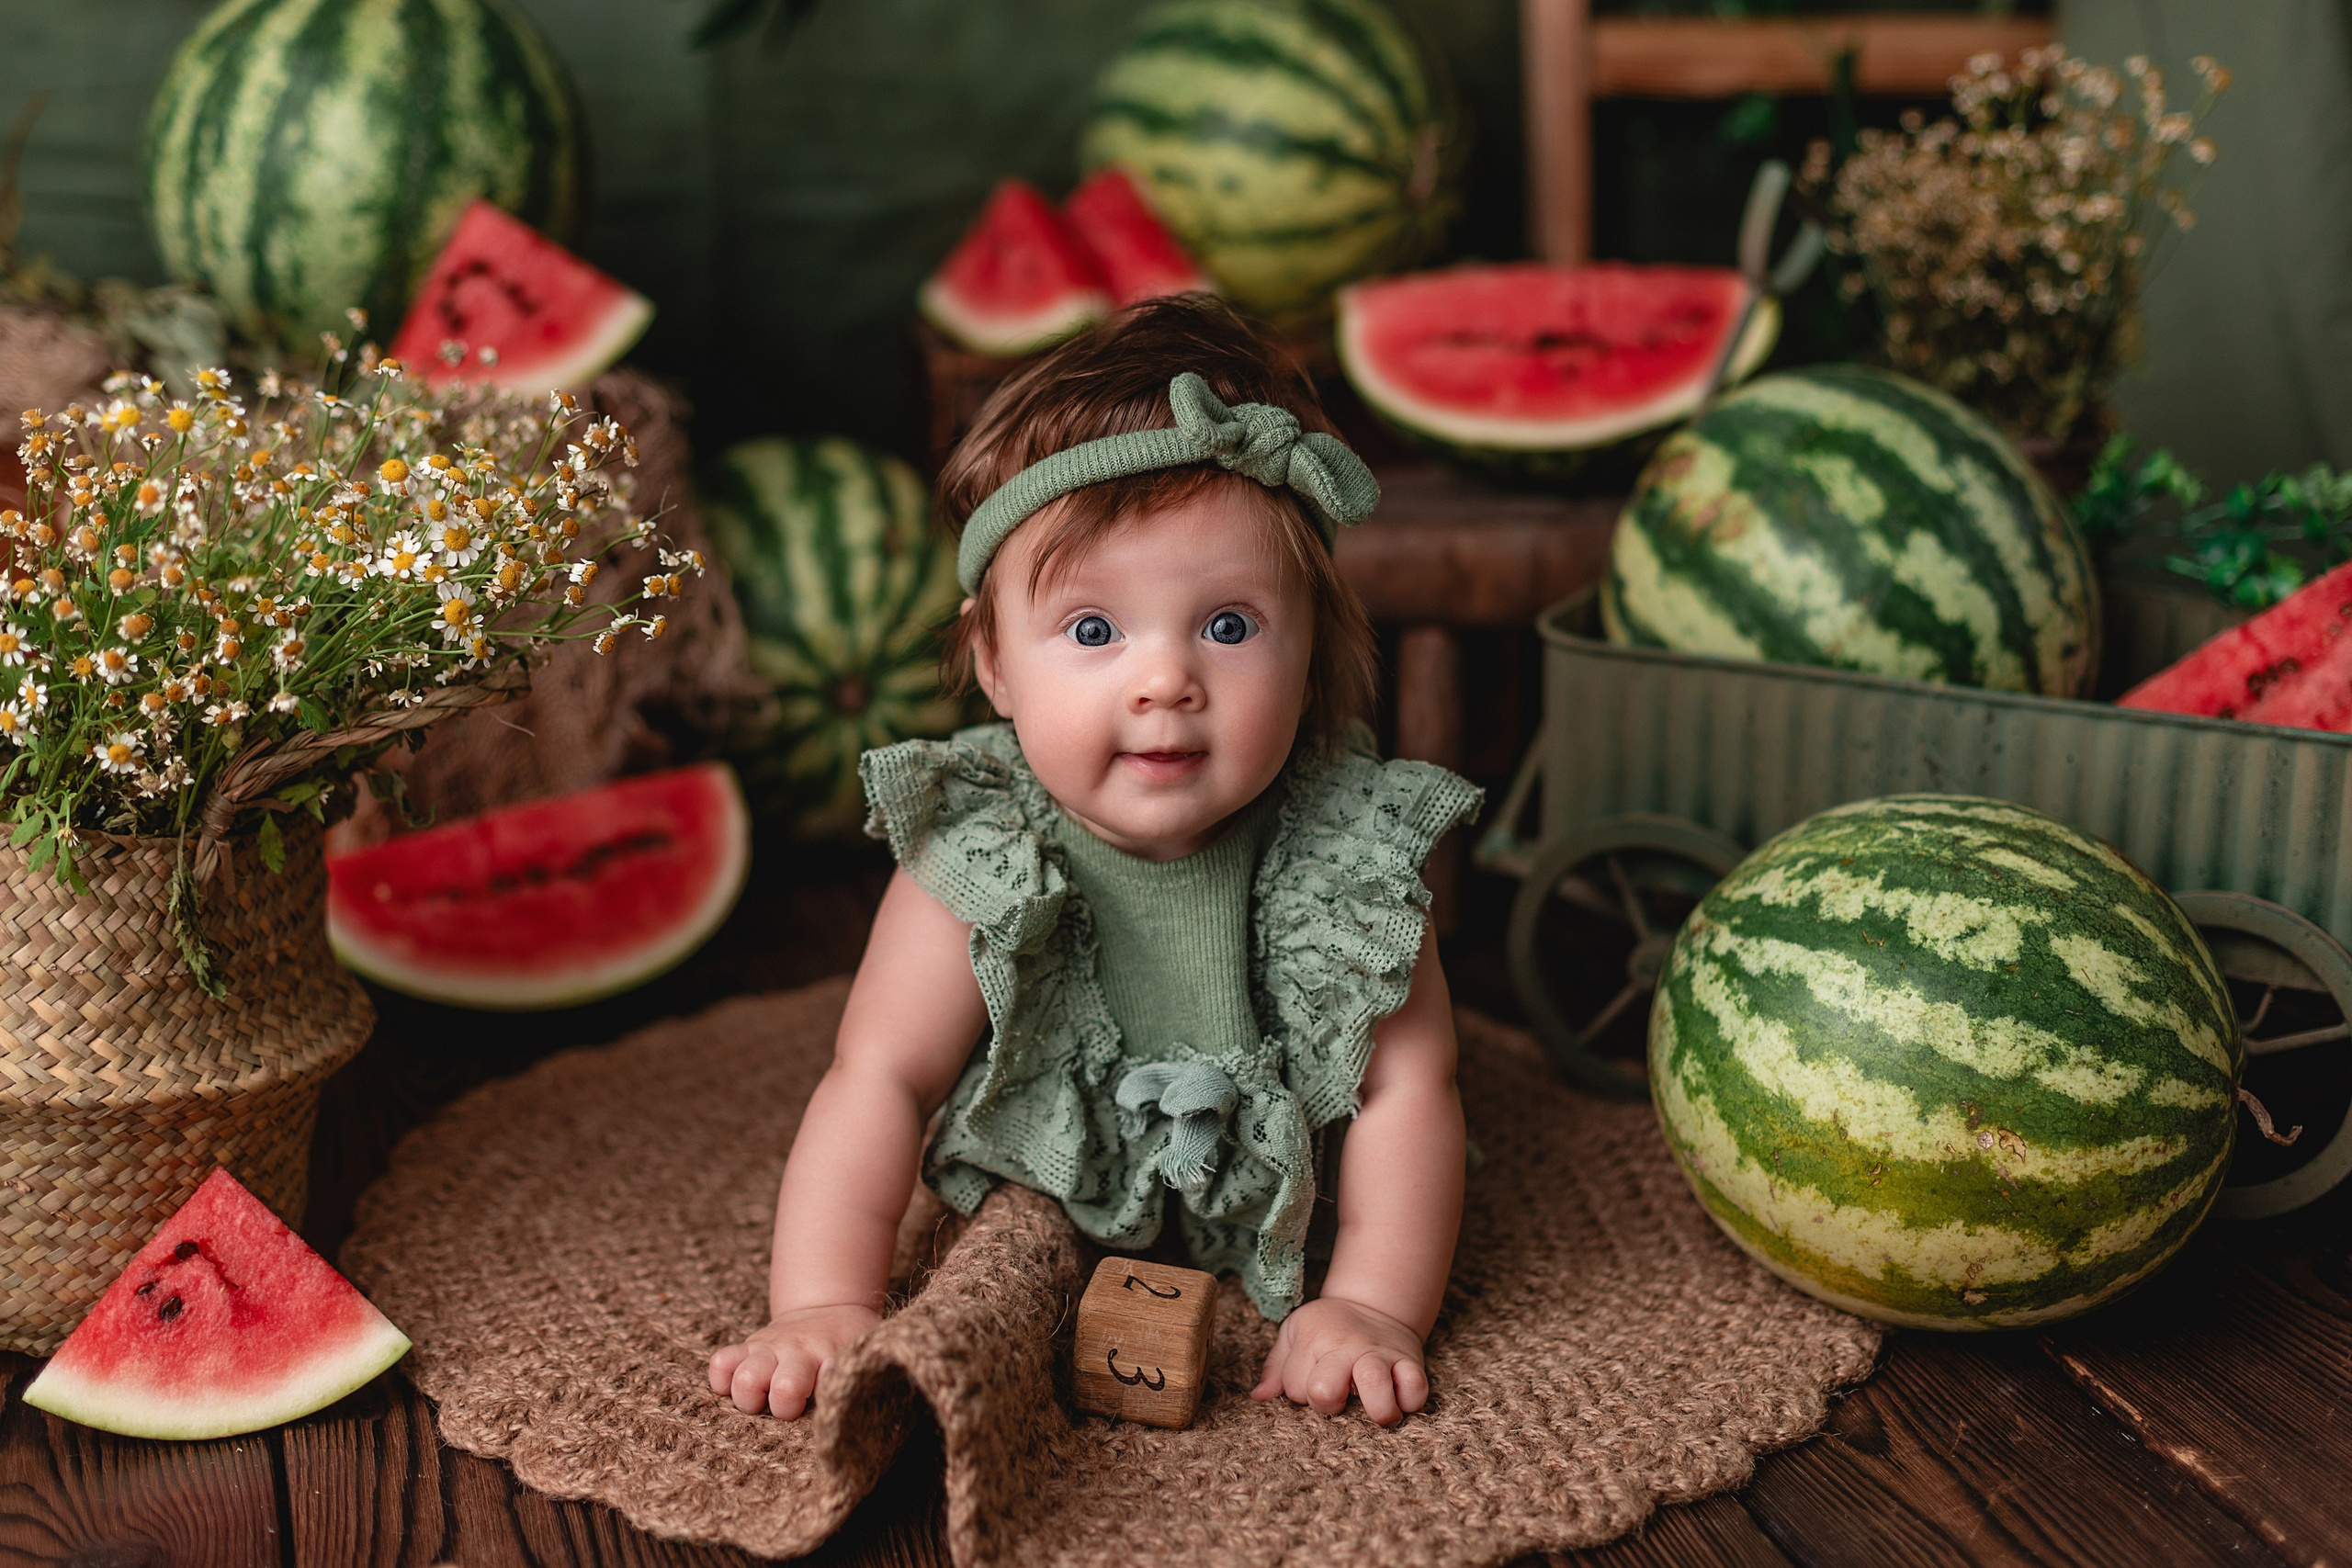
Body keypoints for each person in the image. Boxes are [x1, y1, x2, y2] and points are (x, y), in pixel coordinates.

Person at [710, 297, 1480, 1427]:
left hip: (1291, 1213)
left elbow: (1410, 1087)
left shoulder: (1348, 853)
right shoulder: (981, 851)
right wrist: (822, 1300)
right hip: (1046, 1195)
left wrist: (1372, 1303)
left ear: (1309, 652)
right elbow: (880, 1078)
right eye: (1091, 632)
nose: (1164, 681)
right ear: (996, 663)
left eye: (1228, 626)